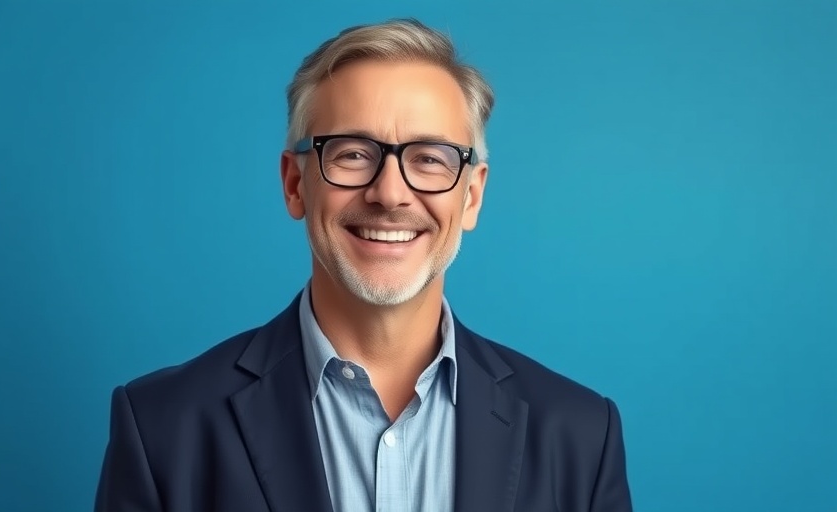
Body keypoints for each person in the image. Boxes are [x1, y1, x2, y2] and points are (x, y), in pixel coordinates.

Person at [95, 18, 633, 512]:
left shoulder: (580, 435)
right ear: (294, 184)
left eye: (429, 158)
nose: (390, 193)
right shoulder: (162, 428)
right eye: (352, 153)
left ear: (471, 197)